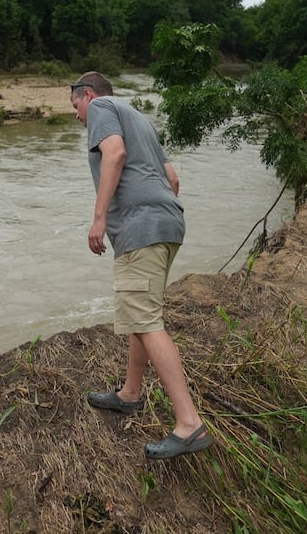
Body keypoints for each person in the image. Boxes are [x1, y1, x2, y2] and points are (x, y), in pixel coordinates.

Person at [70, 71, 212, 460]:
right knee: (141, 313)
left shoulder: (100, 107)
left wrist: (100, 219)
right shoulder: (140, 119)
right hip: (168, 223)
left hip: (141, 229)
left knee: (147, 321)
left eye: (75, 107)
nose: (77, 116)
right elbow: (172, 178)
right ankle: (130, 393)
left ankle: (189, 424)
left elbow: (114, 154)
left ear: (86, 95)